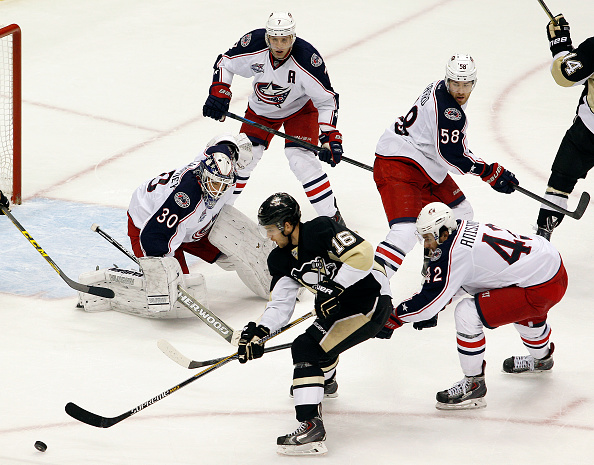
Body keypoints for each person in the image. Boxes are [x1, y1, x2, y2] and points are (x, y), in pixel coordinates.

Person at [237, 192, 392, 455]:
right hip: (339, 306)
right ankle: (323, 382)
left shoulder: (321, 229)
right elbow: (281, 303)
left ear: (288, 225)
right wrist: (261, 332)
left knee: (305, 348)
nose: (269, 236)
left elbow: (363, 254)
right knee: (317, 343)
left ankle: (311, 427)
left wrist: (335, 287)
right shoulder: (280, 260)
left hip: (370, 300)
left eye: (271, 229)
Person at [376, 202, 567, 410]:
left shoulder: (453, 253)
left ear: (443, 233)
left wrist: (394, 318)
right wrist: (439, 302)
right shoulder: (462, 226)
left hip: (540, 286)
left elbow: (429, 302)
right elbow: (468, 279)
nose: (427, 245)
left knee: (467, 312)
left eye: (429, 238)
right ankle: (542, 359)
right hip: (548, 265)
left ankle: (473, 384)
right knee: (523, 312)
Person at [77, 135, 274, 319]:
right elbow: (152, 238)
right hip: (149, 226)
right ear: (204, 174)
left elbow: (224, 143)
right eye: (214, 184)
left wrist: (236, 147)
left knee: (230, 259)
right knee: (175, 294)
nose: (218, 190)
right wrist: (163, 274)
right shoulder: (185, 198)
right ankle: (110, 279)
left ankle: (273, 275)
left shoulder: (216, 161)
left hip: (190, 225)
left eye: (223, 185)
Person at [373, 53, 519, 279]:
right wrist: (488, 172)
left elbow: (449, 146)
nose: (460, 90)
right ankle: (370, 288)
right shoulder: (449, 112)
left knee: (461, 213)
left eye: (466, 84)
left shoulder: (438, 87)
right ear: (447, 80)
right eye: (455, 83)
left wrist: (485, 168)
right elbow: (452, 157)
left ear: (474, 83)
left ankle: (435, 264)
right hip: (399, 163)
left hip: (424, 164)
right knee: (405, 231)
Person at [202, 12, 346, 225]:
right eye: (275, 39)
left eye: (285, 39)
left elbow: (326, 100)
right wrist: (219, 92)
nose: (279, 45)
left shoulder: (307, 59)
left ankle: (332, 219)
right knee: (244, 158)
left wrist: (329, 136)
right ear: (268, 37)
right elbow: (225, 63)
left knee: (301, 161)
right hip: (261, 111)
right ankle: (218, 216)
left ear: (293, 38)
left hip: (300, 110)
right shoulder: (253, 44)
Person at [534, 14, 594, 240]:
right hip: (587, 130)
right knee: (561, 178)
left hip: (587, 132)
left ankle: (543, 234)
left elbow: (566, 75)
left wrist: (560, 45)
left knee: (561, 179)